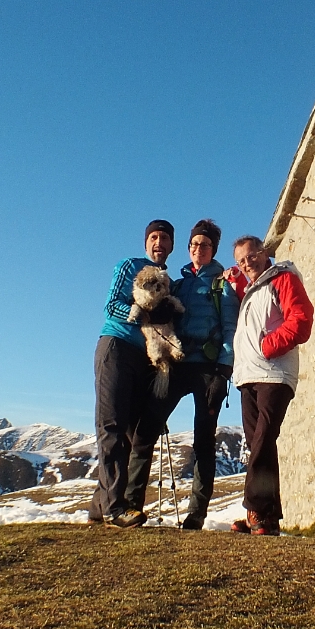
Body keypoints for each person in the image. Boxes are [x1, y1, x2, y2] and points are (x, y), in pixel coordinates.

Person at [125, 219, 239, 529]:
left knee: (203, 439)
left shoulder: (222, 284)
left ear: (213, 248)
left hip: (208, 367)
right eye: (193, 245)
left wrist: (224, 370)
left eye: (203, 244)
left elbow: (230, 328)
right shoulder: (176, 282)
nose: (196, 249)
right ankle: (132, 505)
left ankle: (196, 515)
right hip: (175, 365)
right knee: (147, 427)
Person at [88, 219, 174, 528]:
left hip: (144, 358)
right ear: (145, 242)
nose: (158, 243)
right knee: (111, 424)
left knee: (133, 433)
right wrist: (146, 312)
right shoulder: (130, 266)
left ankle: (102, 506)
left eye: (165, 238)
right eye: (153, 237)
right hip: (116, 346)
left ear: (171, 245)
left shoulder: (169, 281)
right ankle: (115, 508)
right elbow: (112, 306)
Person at [229, 234, 313, 536]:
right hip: (248, 376)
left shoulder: (283, 278)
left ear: (265, 254)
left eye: (251, 256)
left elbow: (301, 320)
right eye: (241, 261)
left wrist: (268, 346)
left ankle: (253, 508)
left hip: (275, 374)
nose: (247, 263)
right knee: (258, 446)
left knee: (263, 441)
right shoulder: (253, 289)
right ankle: (266, 516)